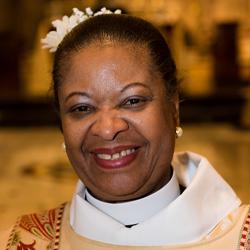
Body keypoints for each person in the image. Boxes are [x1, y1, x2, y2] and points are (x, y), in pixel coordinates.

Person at [1, 7, 249, 250]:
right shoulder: (18, 242)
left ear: (174, 108)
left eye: (133, 101)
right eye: (82, 108)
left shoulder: (240, 239)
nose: (108, 129)